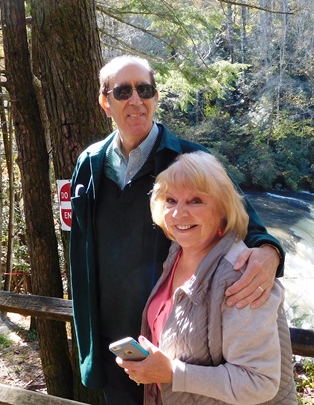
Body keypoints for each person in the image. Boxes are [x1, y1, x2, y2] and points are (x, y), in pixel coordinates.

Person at [69, 55, 285, 404]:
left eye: (144, 90)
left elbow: (247, 224)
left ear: (155, 97)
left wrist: (269, 253)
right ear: (105, 102)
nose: (136, 100)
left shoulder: (190, 160)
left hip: (175, 347)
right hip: (113, 343)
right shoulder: (89, 163)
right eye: (123, 91)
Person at [118, 151, 296, 404]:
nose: (179, 214)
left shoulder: (241, 276)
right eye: (171, 200)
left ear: (222, 209)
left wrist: (171, 373)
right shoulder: (178, 252)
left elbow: (259, 382)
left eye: (196, 201)